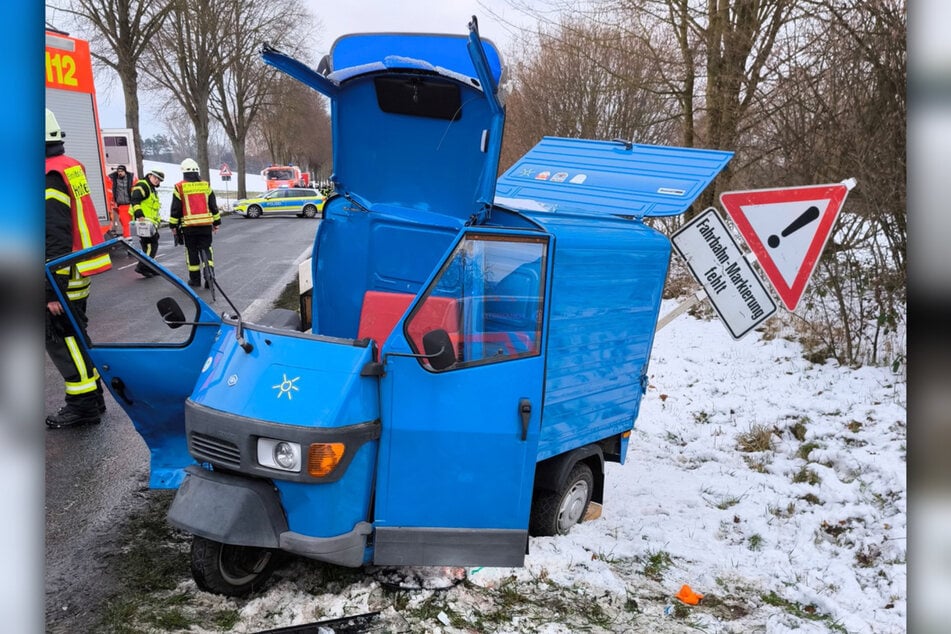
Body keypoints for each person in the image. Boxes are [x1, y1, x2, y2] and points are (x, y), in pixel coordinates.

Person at [45, 108, 112, 428]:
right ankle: (93, 398)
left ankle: (83, 404)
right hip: (74, 270)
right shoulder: (68, 167)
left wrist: (49, 289)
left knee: (62, 338)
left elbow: (54, 234)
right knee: (75, 334)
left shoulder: (48, 175)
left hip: (59, 274)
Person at [169, 158, 221, 287]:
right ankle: (210, 276)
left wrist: (173, 225)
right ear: (197, 171)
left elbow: (176, 209)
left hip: (189, 228)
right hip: (205, 226)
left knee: (192, 252)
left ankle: (195, 280)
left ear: (184, 172)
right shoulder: (205, 185)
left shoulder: (179, 187)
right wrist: (216, 222)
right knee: (207, 250)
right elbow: (213, 205)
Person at [130, 167, 165, 277]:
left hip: (149, 223)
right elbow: (135, 200)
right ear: (150, 175)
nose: (157, 181)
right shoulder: (143, 185)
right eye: (155, 178)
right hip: (143, 221)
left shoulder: (151, 188)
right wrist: (139, 215)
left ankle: (150, 267)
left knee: (149, 245)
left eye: (159, 180)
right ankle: (142, 267)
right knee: (151, 244)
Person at [107, 164, 134, 239]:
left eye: (121, 171)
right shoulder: (113, 179)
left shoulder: (131, 178)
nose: (120, 173)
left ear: (125, 171)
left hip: (130, 204)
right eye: (118, 171)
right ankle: (128, 237)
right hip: (121, 204)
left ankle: (128, 236)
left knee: (126, 222)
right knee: (124, 221)